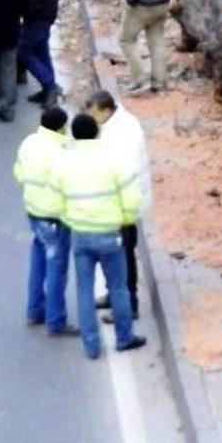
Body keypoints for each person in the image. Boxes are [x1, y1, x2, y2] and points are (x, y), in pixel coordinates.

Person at [50, 113, 146, 359]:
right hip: (109, 233)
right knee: (118, 287)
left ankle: (91, 346)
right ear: (97, 132)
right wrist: (125, 220)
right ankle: (124, 337)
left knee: (84, 290)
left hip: (81, 235)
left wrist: (70, 219)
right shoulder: (113, 159)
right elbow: (131, 194)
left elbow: (55, 201)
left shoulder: (64, 162)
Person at [85, 89, 151, 320]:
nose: (92, 119)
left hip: (123, 205)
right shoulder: (113, 125)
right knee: (113, 256)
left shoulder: (123, 133)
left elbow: (123, 172)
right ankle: (115, 297)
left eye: (94, 114)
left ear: (105, 110)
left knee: (123, 258)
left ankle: (128, 306)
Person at [13, 106, 78, 335]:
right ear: (62, 126)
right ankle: (56, 320)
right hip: (55, 217)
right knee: (56, 269)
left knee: (38, 261)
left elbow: (19, 173)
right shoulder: (61, 151)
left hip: (34, 212)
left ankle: (34, 310)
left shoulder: (29, 142)